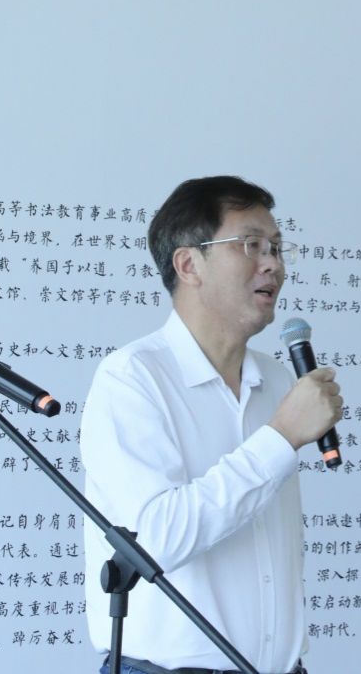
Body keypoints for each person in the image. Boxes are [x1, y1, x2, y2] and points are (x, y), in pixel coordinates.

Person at [80, 176, 342, 674]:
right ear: (188, 264)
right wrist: (281, 438)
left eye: (277, 247)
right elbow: (153, 541)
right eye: (251, 245)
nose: (273, 264)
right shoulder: (133, 378)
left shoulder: (277, 378)